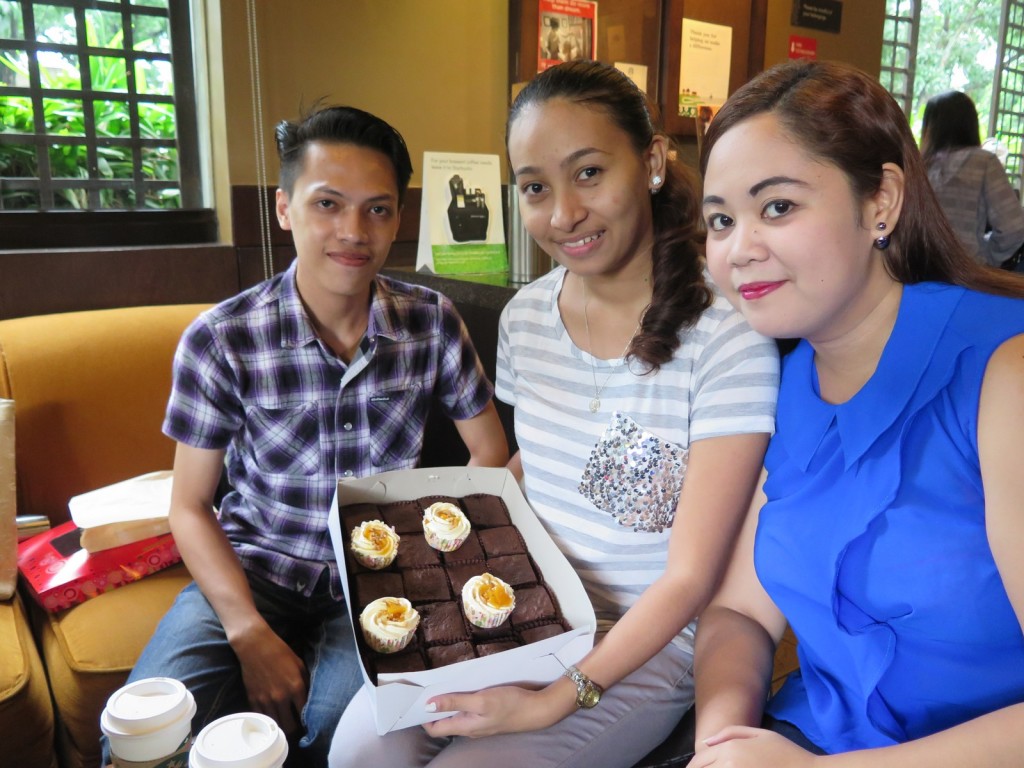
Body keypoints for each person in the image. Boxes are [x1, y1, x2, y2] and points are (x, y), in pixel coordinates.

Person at [329, 60, 779, 768]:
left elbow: (691, 577)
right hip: (531, 608)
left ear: (654, 162)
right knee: (357, 750)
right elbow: (534, 465)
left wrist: (552, 698)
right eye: (536, 187)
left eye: (590, 173)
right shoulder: (526, 318)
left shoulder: (728, 335)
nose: (563, 213)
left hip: (646, 641)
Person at [104, 105, 509, 768]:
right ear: (285, 208)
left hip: (377, 578)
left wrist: (430, 551)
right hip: (254, 568)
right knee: (144, 734)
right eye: (328, 204)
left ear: (398, 220)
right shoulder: (222, 338)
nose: (354, 232)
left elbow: (490, 454)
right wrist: (246, 631)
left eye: (378, 209)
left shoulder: (430, 322)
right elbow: (189, 505)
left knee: (334, 744)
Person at [693, 59, 1024, 767]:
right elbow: (739, 612)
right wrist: (721, 741)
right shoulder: (784, 377)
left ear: (882, 201)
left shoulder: (1005, 373)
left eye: (777, 206)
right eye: (720, 220)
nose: (739, 249)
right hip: (809, 734)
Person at [921, 89, 1024, 268]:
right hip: (966, 273)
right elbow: (1014, 228)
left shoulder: (919, 166)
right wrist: (985, 256)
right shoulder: (984, 162)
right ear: (970, 124)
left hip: (918, 271)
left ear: (930, 127)